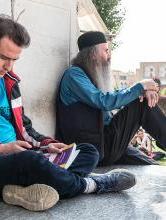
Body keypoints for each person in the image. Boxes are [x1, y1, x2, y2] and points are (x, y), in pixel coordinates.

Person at [0, 18, 136, 212]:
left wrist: (46, 144)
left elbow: (25, 128)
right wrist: (0, 149)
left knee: (88, 151)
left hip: (20, 155)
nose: (9, 67)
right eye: (4, 58)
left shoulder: (9, 82)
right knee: (31, 161)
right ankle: (92, 184)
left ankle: (27, 188)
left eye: (14, 60)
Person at [56, 31, 166, 166]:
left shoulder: (90, 77)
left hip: (105, 142)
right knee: (140, 104)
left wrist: (140, 92)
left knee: (152, 166)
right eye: (106, 51)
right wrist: (140, 87)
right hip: (93, 148)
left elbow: (113, 96)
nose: (109, 56)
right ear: (92, 54)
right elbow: (103, 101)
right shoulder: (74, 75)